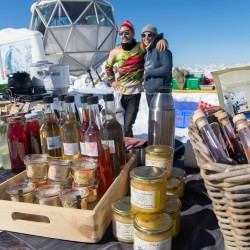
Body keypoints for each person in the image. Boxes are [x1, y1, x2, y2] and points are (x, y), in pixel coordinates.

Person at [105, 20, 167, 137]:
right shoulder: (115, 52)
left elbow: (151, 43)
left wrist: (162, 40)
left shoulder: (140, 47)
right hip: (119, 93)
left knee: (128, 124)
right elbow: (108, 66)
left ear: (133, 33)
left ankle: (127, 148)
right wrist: (112, 81)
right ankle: (125, 148)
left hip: (135, 92)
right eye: (121, 33)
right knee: (120, 124)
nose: (124, 35)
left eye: (127, 32)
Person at [141, 24, 173, 107]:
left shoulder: (162, 49)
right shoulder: (147, 52)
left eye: (149, 35)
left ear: (155, 36)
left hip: (160, 91)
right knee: (153, 117)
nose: (146, 37)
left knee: (160, 118)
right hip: (149, 91)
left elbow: (167, 68)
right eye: (143, 35)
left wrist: (149, 73)